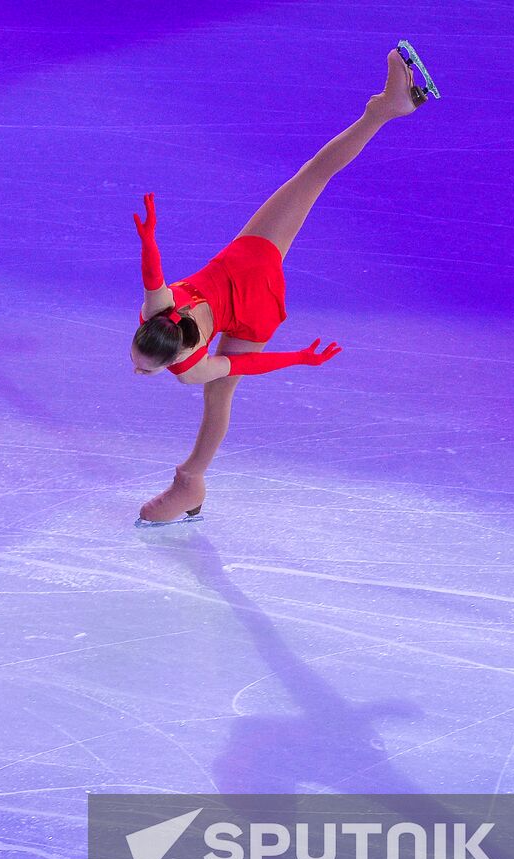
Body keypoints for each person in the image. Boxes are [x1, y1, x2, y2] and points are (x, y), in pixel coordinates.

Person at [131, 46, 435, 524]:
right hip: (248, 270)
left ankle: (191, 482)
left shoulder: (188, 366)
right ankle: (381, 111)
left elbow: (242, 363)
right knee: (312, 177)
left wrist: (299, 358)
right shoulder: (160, 313)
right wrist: (148, 238)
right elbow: (154, 277)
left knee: (220, 392)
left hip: (255, 285)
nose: (138, 371)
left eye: (143, 367)